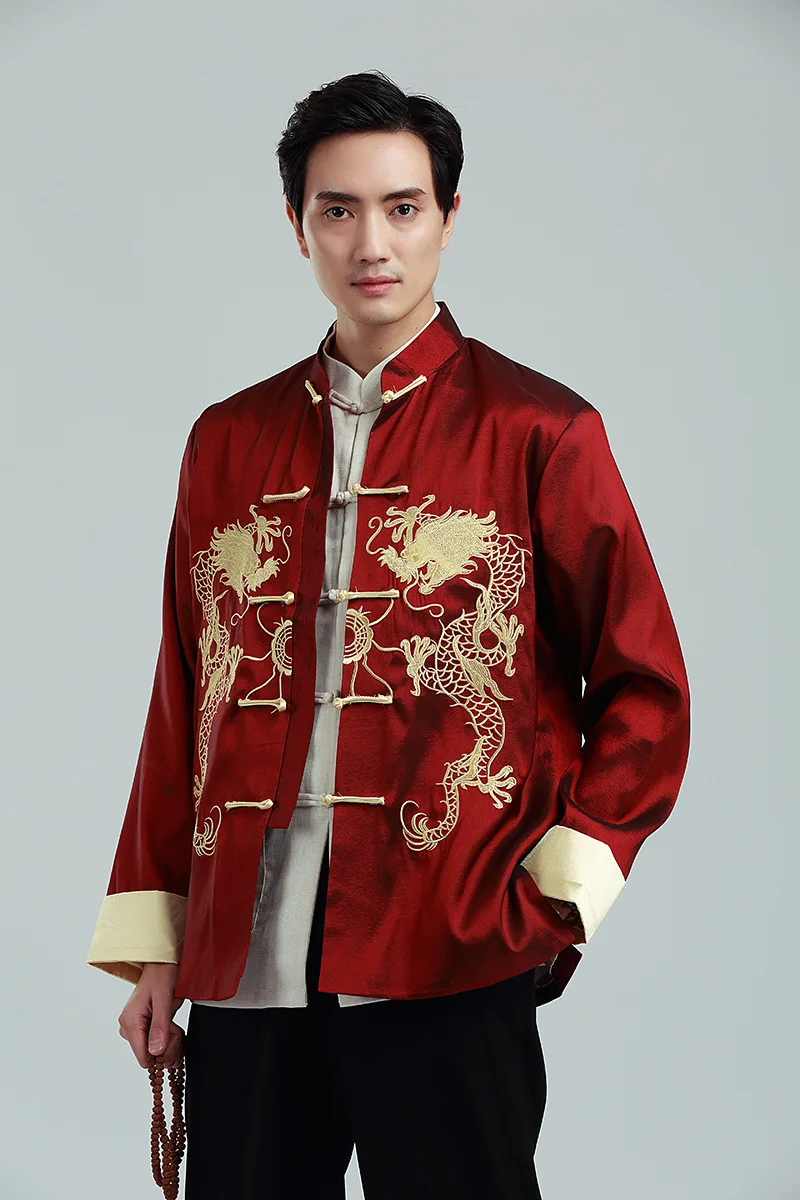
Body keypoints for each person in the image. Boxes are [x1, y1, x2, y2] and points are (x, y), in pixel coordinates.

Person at [86, 69, 691, 1199]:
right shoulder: (226, 440)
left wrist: (553, 895)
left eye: (403, 207)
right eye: (339, 210)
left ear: (449, 219)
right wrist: (157, 941)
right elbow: (186, 700)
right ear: (297, 225)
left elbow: (644, 688)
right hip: (247, 953)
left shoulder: (540, 429)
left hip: (451, 936)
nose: (373, 243)